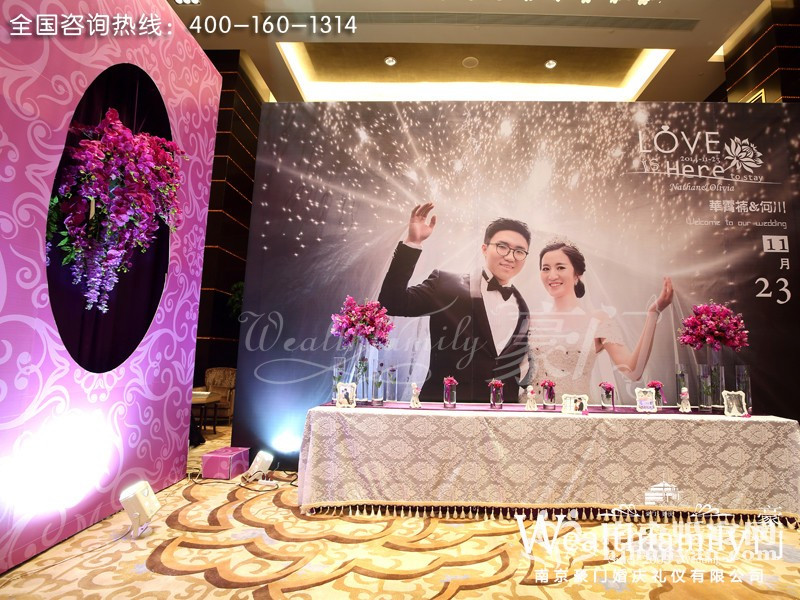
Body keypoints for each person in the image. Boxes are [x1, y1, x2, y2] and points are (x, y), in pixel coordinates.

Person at [378, 203, 531, 402]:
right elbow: (391, 302)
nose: (510, 257)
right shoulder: (446, 285)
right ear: (485, 249)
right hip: (448, 407)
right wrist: (412, 243)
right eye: (502, 247)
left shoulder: (523, 306)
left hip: (503, 412)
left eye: (519, 251)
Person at [525, 241, 673, 396]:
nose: (552, 275)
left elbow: (633, 372)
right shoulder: (531, 319)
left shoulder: (597, 320)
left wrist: (653, 314)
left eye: (560, 267)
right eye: (545, 269)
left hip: (575, 409)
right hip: (531, 407)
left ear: (577, 275)